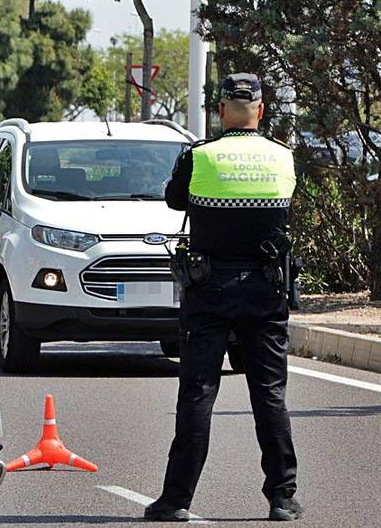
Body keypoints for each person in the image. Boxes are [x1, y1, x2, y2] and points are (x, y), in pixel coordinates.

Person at [145, 73, 301, 522]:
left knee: (197, 393)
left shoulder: (199, 156)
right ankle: (282, 498)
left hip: (208, 289)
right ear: (261, 110)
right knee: (269, 394)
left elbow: (175, 201)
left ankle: (176, 500)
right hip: (266, 289)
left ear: (219, 111)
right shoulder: (283, 157)